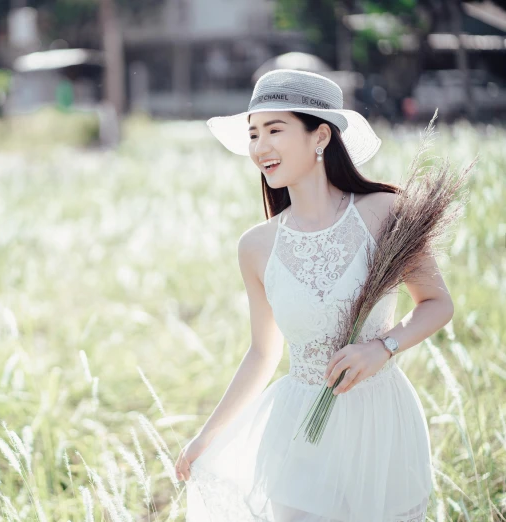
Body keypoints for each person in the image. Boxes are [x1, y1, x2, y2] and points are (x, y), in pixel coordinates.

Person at [175, 69, 454, 521]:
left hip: (380, 423)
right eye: (253, 134)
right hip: (297, 429)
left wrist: (381, 348)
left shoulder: (386, 212)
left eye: (274, 130)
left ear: (320, 135)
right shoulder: (257, 246)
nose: (260, 147)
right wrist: (208, 435)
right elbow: (263, 353)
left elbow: (438, 304)